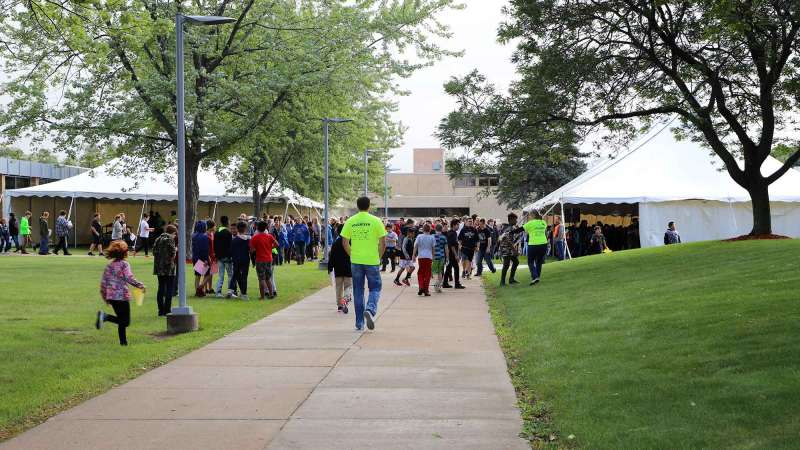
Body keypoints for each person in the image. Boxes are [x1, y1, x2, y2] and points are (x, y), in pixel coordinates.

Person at [340, 197, 386, 331]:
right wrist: (378, 258)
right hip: (372, 260)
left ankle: (359, 323)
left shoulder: (351, 221)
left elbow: (344, 242)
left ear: (357, 206)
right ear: (369, 206)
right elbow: (383, 243)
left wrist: (352, 255)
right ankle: (370, 309)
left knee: (358, 291)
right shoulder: (376, 221)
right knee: (375, 287)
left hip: (356, 261)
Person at [95, 240, 145, 346]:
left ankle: (123, 343)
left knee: (121, 319)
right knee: (125, 321)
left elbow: (104, 283)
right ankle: (105, 317)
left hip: (111, 297)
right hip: (122, 296)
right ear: (124, 253)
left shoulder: (109, 266)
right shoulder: (124, 264)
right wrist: (140, 285)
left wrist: (105, 297)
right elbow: (128, 278)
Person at [152, 224, 177, 316]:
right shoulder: (170, 240)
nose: (175, 236)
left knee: (161, 288)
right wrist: (176, 249)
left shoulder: (157, 239)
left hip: (159, 268)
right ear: (173, 233)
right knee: (169, 289)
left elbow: (154, 252)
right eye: (175, 234)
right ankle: (167, 309)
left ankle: (160, 310)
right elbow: (173, 254)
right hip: (169, 268)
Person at [250, 221, 277, 300]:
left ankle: (262, 297)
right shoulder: (269, 236)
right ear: (266, 228)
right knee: (268, 278)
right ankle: (271, 294)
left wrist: (256, 249)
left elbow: (251, 250)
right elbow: (277, 244)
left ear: (257, 228)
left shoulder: (255, 237)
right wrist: (270, 248)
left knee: (261, 278)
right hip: (269, 259)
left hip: (260, 259)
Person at [327, 235, 352, 313]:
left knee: (338, 288)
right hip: (348, 268)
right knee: (348, 286)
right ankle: (345, 298)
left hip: (338, 269)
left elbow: (332, 256)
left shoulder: (335, 243)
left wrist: (330, 267)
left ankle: (340, 305)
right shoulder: (350, 242)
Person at [498, 213, 525, 286]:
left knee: (516, 262)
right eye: (515, 219)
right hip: (506, 249)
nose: (516, 221)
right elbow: (508, 241)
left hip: (509, 248)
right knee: (506, 265)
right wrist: (514, 250)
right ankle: (502, 281)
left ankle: (511, 279)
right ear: (511, 220)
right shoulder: (508, 228)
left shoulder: (510, 227)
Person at [523, 210, 548, 286]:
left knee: (530, 261)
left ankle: (535, 276)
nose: (529, 217)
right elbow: (545, 231)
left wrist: (510, 232)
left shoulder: (530, 223)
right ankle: (537, 277)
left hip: (533, 244)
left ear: (533, 215)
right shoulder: (543, 222)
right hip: (543, 244)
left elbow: (521, 229)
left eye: (530, 215)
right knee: (539, 261)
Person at [229, 221, 251, 300]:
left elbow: (231, 251)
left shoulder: (234, 240)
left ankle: (231, 289)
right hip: (245, 259)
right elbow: (250, 250)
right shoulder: (248, 239)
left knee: (235, 274)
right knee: (244, 276)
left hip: (236, 259)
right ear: (245, 229)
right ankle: (244, 293)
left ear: (237, 229)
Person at [413, 223, 436, 296]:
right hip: (429, 257)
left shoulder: (419, 236)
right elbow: (433, 248)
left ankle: (421, 287)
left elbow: (416, 246)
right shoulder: (432, 237)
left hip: (421, 256)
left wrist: (413, 255)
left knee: (420, 272)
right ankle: (426, 290)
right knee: (428, 273)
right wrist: (434, 256)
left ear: (423, 229)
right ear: (430, 229)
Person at [214, 216, 234, 297]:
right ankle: (230, 291)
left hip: (219, 257)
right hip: (227, 257)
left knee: (220, 275)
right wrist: (230, 256)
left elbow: (214, 244)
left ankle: (218, 292)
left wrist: (216, 255)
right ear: (227, 222)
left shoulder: (217, 231)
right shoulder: (228, 233)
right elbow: (230, 246)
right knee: (230, 275)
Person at [191, 221, 211, 297]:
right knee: (208, 274)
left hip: (195, 257)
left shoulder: (194, 236)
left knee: (197, 275)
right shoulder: (205, 237)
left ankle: (197, 291)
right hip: (203, 257)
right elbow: (205, 249)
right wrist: (206, 259)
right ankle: (200, 288)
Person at [443, 218, 464, 289]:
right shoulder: (452, 233)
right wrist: (456, 255)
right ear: (453, 225)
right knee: (456, 268)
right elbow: (452, 246)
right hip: (452, 254)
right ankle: (457, 284)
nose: (458, 226)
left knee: (448, 268)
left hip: (450, 254)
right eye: (457, 225)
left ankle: (445, 283)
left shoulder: (450, 232)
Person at [432, 223, 449, 293]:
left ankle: (436, 284)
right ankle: (438, 286)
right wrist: (447, 257)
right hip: (442, 256)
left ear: (435, 229)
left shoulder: (432, 236)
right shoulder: (444, 237)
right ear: (441, 229)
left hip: (434, 256)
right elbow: (446, 248)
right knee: (440, 271)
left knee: (435, 271)